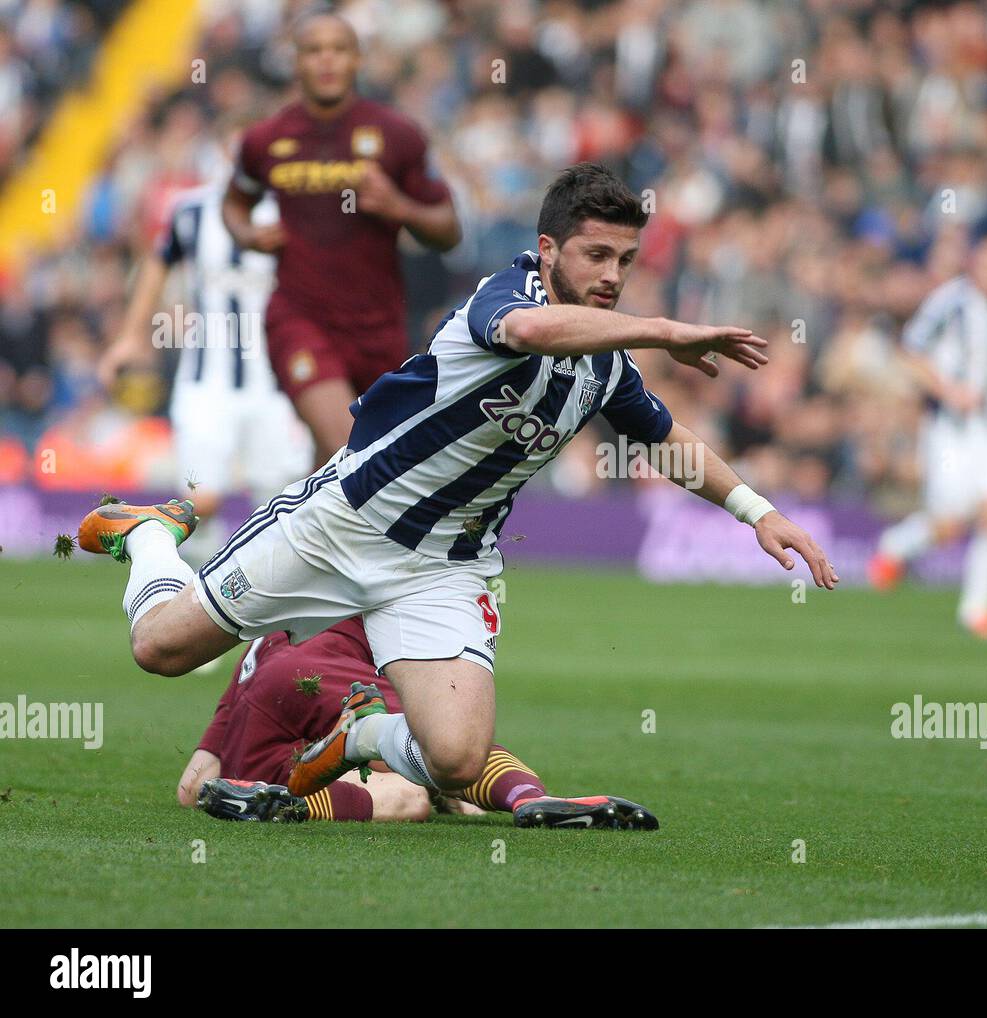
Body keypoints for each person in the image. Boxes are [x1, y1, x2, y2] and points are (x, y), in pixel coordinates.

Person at [78, 161, 837, 811]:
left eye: (625, 261)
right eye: (595, 255)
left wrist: (755, 509)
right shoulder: (502, 299)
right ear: (547, 251)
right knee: (159, 649)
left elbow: (665, 437)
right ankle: (147, 533)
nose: (611, 276)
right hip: (345, 521)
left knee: (457, 761)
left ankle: (358, 734)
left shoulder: (605, 364)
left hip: (444, 567)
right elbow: (533, 335)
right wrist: (666, 330)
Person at [222, 10, 461, 465]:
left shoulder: (398, 135)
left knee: (332, 469)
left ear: (357, 60)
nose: (326, 61)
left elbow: (448, 232)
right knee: (351, 452)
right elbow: (234, 203)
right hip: (300, 318)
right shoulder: (266, 140)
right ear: (296, 62)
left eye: (338, 49)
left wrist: (398, 206)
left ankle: (298, 536)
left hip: (379, 328)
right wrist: (249, 235)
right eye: (314, 50)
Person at [181, 616, 656, 828]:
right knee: (423, 772)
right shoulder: (400, 598)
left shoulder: (287, 588)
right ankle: (531, 798)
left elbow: (194, 779)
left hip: (257, 718)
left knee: (205, 786)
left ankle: (264, 796)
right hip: (316, 674)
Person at [99, 171, 311, 564]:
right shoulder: (193, 210)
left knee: (279, 502)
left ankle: (268, 618)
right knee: (201, 502)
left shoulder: (292, 212)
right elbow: (157, 263)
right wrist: (132, 335)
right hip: (205, 384)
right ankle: (197, 606)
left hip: (275, 385)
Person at [867, 236, 987, 638]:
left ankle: (977, 610)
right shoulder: (950, 302)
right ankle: (895, 547)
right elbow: (910, 351)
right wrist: (948, 391)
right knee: (951, 523)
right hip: (954, 429)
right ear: (974, 264)